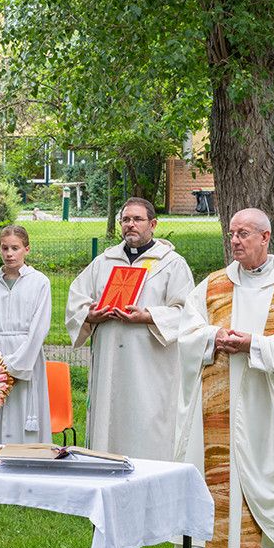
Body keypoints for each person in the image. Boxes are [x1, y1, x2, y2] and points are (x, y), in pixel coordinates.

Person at [173, 208, 274, 548]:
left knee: (261, 468)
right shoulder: (212, 285)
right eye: (232, 233)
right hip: (214, 401)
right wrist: (212, 336)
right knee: (210, 469)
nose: (234, 240)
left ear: (265, 237)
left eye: (243, 234)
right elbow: (186, 334)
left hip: (261, 403)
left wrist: (254, 344)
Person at [65, 197, 194, 460]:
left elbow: (187, 314)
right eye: (125, 219)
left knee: (146, 426)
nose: (130, 225)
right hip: (110, 360)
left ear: (153, 224)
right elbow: (77, 301)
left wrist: (147, 316)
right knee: (108, 424)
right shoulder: (104, 261)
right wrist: (91, 315)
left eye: (137, 219)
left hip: (150, 367)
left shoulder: (171, 263)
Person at [0, 225, 52, 444]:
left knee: (23, 408)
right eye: (4, 248)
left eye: (15, 248)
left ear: (26, 250)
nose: (9, 253)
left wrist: (16, 366)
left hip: (26, 354)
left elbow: (39, 327)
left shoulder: (40, 282)